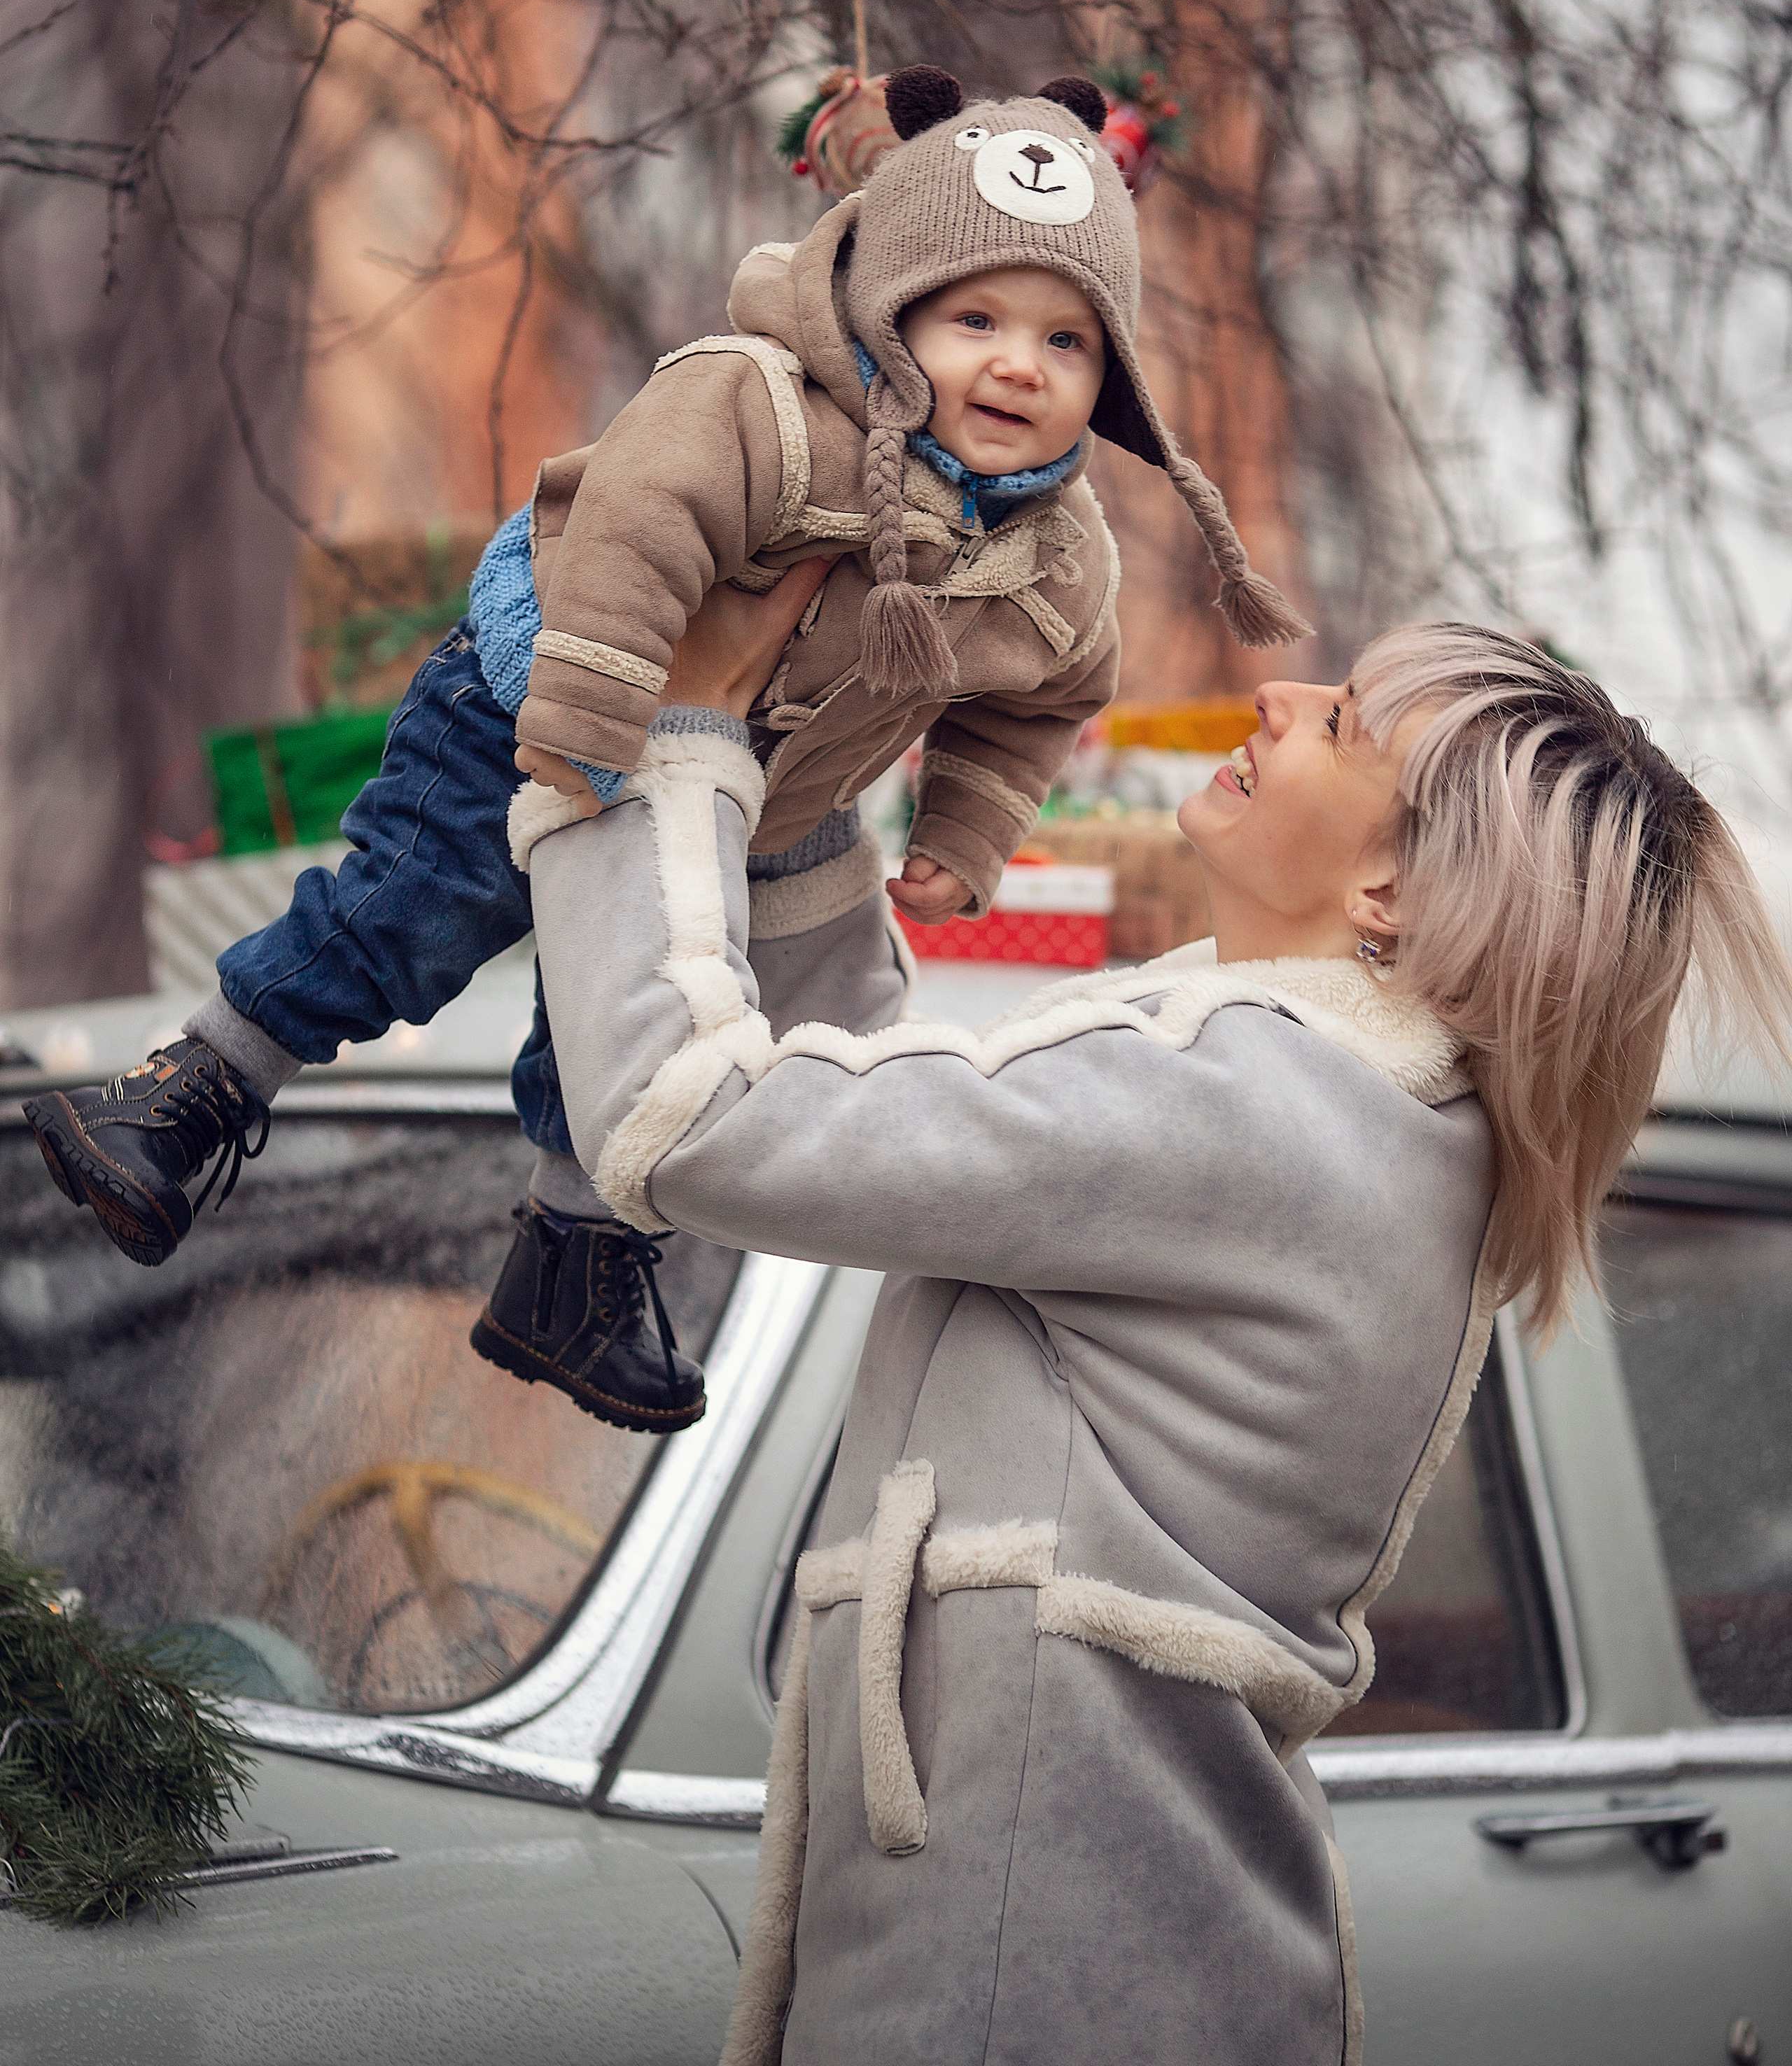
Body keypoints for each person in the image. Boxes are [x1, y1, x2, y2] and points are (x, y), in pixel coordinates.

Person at [525, 584, 1792, 2066]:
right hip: (1114, 1945)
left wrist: (658, 743)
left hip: (1026, 1955)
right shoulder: (1343, 1108)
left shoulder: (1254, 1107)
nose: (1277, 699)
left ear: (1390, 897)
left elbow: (690, 1127)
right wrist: (796, 799)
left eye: (1348, 725)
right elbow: (876, 1109)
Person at [23, 63, 1305, 1437]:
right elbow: (636, 525)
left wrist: (962, 830)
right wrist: (581, 723)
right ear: (886, 301)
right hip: (545, 703)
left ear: (1108, 382)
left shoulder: (1054, 559)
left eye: (1065, 344)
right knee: (413, 914)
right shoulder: (763, 405)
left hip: (746, 795)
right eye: (975, 317)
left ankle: (571, 1267)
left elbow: (1043, 698)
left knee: (630, 1022)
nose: (1015, 364)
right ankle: (188, 1092)